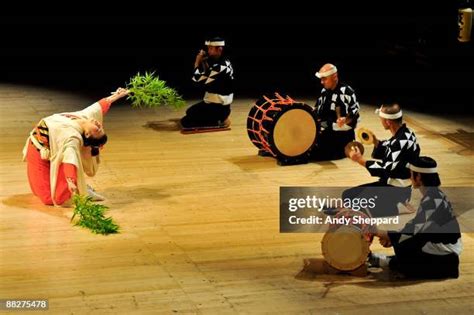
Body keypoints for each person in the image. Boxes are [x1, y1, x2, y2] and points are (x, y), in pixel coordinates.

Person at [22, 87, 129, 206]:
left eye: (98, 130)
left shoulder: (72, 137)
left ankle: (81, 189)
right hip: (37, 149)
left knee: (48, 198)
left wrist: (71, 180)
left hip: (44, 150)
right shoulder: (84, 117)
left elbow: (70, 158)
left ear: (87, 134)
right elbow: (97, 108)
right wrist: (117, 96)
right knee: (37, 192)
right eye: (101, 128)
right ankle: (80, 186)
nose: (99, 124)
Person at [369, 156, 462, 279]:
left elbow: (411, 231)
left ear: (418, 177)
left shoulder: (433, 200)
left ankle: (388, 262)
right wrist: (391, 237)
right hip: (437, 242)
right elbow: (415, 226)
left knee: (405, 244)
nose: (410, 177)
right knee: (403, 239)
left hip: (445, 250)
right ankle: (388, 260)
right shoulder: (434, 194)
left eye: (412, 174)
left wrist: (377, 232)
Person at [343, 103, 420, 217]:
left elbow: (385, 169)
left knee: (360, 208)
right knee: (348, 196)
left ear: (388, 122)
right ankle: (398, 201)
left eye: (381, 118)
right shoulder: (407, 133)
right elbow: (391, 146)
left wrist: (360, 160)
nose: (380, 120)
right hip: (392, 182)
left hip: (396, 188)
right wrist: (375, 141)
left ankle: (398, 206)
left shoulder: (399, 141)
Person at [180, 37, 234, 129]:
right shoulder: (224, 61)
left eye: (210, 48)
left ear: (219, 49)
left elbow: (197, 80)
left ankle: (219, 120)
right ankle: (220, 118)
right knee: (190, 112)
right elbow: (209, 76)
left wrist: (197, 62)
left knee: (186, 121)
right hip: (217, 105)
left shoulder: (221, 66)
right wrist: (204, 61)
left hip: (218, 107)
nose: (208, 51)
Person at [311, 63, 360, 160]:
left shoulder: (346, 92)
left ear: (334, 76)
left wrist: (346, 120)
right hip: (325, 132)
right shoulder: (324, 91)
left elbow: (355, 114)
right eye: (321, 79)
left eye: (324, 79)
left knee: (312, 154)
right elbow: (318, 111)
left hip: (341, 137)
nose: (321, 82)